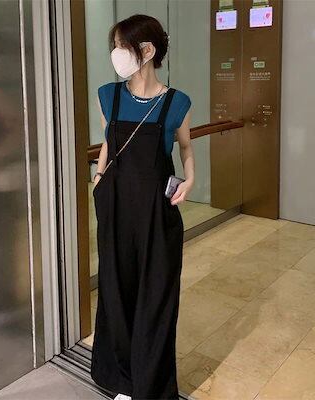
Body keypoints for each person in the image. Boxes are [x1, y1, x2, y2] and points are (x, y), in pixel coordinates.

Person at [90, 14, 195, 400]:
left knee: (156, 297)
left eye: (122, 46)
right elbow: (108, 141)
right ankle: (122, 381)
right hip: (116, 208)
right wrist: (98, 178)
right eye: (115, 46)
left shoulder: (177, 102)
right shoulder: (108, 95)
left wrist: (190, 180)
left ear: (147, 51)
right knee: (116, 292)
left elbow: (186, 147)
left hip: (156, 213)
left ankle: (150, 386)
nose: (116, 53)